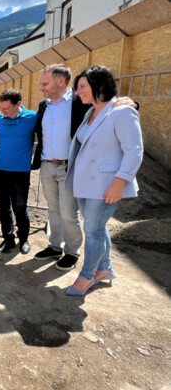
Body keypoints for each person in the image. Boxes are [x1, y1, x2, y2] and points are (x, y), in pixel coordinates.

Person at [33, 64, 139, 270]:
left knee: (68, 213)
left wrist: (132, 103)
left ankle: (72, 251)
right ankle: (55, 246)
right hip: (47, 166)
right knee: (53, 210)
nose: (41, 88)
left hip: (69, 168)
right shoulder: (43, 106)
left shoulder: (80, 102)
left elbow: (108, 108)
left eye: (45, 83)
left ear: (60, 81)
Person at [65, 65, 143, 295]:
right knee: (97, 228)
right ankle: (105, 268)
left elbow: (134, 150)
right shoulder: (91, 111)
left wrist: (120, 182)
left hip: (106, 184)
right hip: (85, 184)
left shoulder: (122, 111)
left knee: (94, 229)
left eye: (81, 87)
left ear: (99, 86)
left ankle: (88, 275)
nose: (77, 92)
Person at [0, 88, 37, 254]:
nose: (1, 112)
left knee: (19, 207)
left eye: (6, 109)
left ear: (18, 104)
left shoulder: (32, 117)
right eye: (0, 108)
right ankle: (8, 240)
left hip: (20, 172)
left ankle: (24, 239)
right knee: (3, 208)